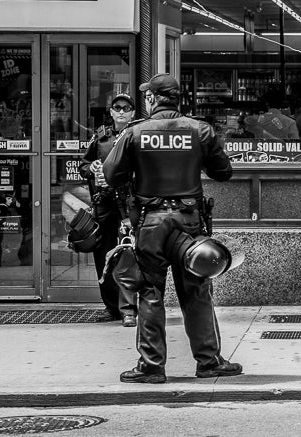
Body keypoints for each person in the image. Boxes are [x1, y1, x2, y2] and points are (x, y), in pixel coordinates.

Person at [102, 73, 241, 384]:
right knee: (197, 291)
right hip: (189, 223)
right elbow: (223, 172)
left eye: (147, 96)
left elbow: (112, 174)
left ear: (153, 99)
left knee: (149, 293)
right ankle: (208, 360)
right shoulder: (200, 130)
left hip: (151, 223)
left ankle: (151, 366)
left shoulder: (135, 132)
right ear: (179, 98)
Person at [78, 93, 138, 326]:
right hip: (104, 204)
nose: (121, 111)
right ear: (111, 112)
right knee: (103, 256)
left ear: (133, 112)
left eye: (126, 107)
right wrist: (90, 167)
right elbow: (83, 164)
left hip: (128, 205)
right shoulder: (100, 136)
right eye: (117, 107)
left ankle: (128, 309)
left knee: (127, 256)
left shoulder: (137, 134)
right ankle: (111, 307)